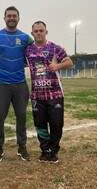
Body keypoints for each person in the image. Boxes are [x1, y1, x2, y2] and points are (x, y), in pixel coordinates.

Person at [0, 6, 33, 162]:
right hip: (1, 84)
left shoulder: (26, 38)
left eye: (14, 16)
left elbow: (37, 51)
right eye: (9, 16)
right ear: (4, 18)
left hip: (20, 84)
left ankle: (22, 149)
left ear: (19, 18)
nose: (12, 18)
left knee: (21, 117)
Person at [25, 21, 73, 163]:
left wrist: (57, 65)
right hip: (36, 96)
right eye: (36, 31)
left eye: (41, 30)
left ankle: (54, 150)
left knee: (56, 125)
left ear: (46, 32)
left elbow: (69, 62)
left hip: (55, 94)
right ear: (32, 33)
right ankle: (45, 150)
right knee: (40, 125)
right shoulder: (27, 50)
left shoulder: (55, 48)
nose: (39, 33)